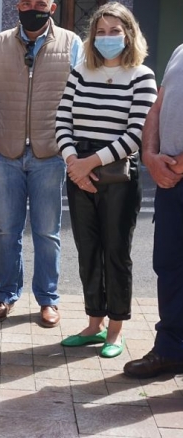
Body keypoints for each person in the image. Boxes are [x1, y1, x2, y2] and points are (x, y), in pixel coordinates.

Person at [0, 0, 82, 327]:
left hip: (49, 154)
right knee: (8, 231)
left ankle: (48, 299)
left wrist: (69, 148)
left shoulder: (71, 43)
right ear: (17, 5)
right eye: (26, 4)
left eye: (40, 5)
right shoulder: (0, 43)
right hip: (5, 153)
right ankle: (6, 293)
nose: (32, 10)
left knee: (47, 232)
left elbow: (77, 101)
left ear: (51, 8)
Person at [55, 2, 156, 358]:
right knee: (88, 251)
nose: (108, 37)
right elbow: (61, 121)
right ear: (92, 36)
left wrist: (89, 165)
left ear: (129, 34)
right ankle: (94, 323)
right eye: (101, 31)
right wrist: (73, 163)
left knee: (115, 252)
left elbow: (137, 134)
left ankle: (115, 330)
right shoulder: (80, 72)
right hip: (78, 165)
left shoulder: (141, 76)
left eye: (116, 31)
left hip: (118, 174)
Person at [124, 43, 183, 377]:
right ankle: (171, 349)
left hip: (174, 172)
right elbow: (158, 107)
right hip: (170, 181)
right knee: (170, 265)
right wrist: (149, 154)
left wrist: (176, 165)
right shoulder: (179, 51)